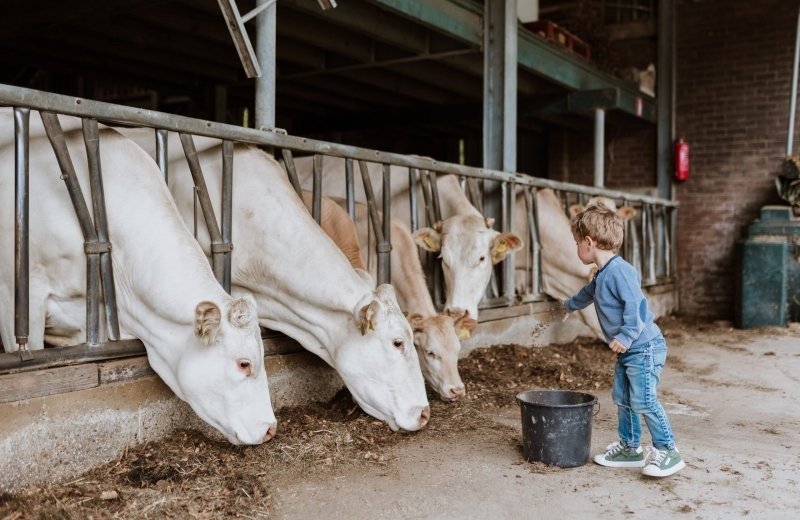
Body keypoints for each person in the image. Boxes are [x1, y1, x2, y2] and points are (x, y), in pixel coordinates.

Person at [562, 203, 684, 478]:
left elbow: (637, 306)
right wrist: (569, 305)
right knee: (624, 398)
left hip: (644, 347)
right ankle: (630, 448)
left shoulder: (621, 271)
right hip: (630, 350)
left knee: (644, 400)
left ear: (589, 242)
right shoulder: (602, 274)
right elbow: (587, 294)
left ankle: (668, 450)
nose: (576, 248)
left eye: (576, 243)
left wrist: (626, 337)